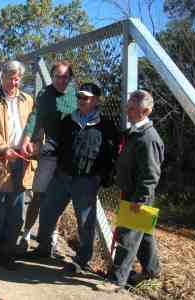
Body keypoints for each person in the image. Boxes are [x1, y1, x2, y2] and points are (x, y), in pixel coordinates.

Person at [33, 82, 120, 274]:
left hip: (86, 182)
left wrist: (102, 178)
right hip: (62, 176)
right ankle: (43, 248)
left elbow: (111, 155)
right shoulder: (67, 121)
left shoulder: (106, 127)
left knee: (85, 223)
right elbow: (56, 144)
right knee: (47, 212)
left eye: (86, 98)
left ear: (96, 101)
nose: (81, 100)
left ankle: (82, 261)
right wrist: (38, 149)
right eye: (79, 97)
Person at [96, 90, 164, 292]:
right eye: (128, 107)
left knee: (127, 238)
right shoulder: (135, 133)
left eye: (134, 109)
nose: (128, 111)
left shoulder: (148, 138)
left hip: (137, 197)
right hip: (132, 194)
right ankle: (152, 272)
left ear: (147, 111)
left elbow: (151, 175)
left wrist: (140, 200)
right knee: (144, 235)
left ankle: (116, 280)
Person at [0, 60, 36, 273]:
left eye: (17, 78)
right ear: (1, 78)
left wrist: (34, 145)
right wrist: (3, 149)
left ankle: (7, 255)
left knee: (15, 214)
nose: (14, 81)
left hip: (21, 161)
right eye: (9, 77)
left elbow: (36, 126)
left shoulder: (29, 100)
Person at [20, 60, 77, 256]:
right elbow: (35, 117)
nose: (62, 80)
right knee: (39, 195)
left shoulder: (74, 95)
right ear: (52, 77)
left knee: (59, 199)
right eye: (58, 76)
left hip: (68, 156)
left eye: (66, 76)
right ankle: (26, 233)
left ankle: (51, 236)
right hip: (50, 153)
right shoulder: (45, 94)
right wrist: (27, 139)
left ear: (71, 78)